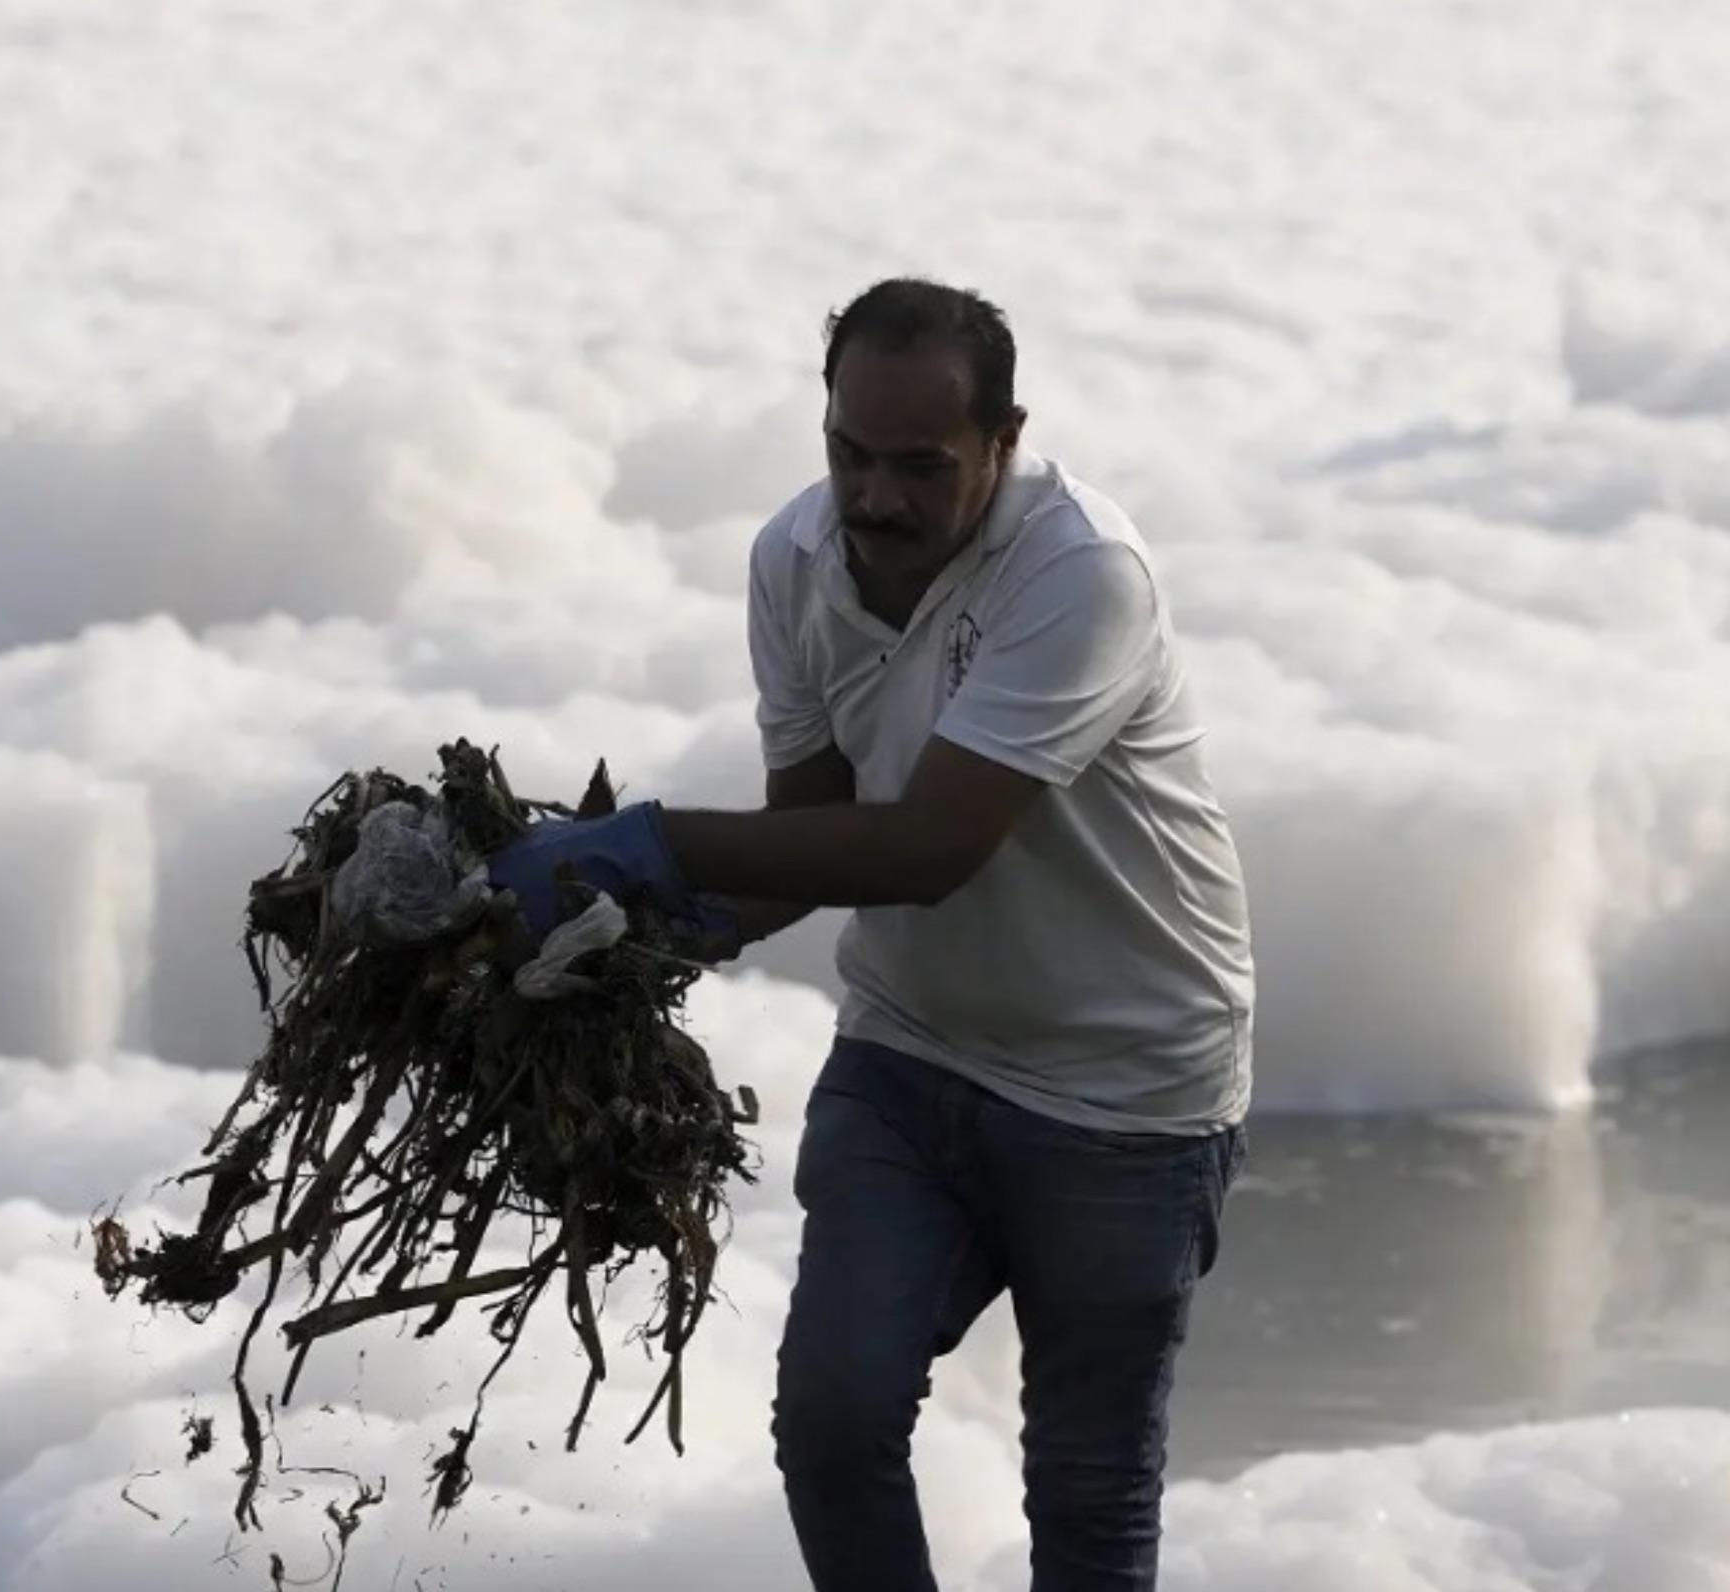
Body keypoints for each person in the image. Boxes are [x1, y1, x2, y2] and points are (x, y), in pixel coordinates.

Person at [484, 277, 1256, 1592]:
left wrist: (650, 841)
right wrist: (614, 941)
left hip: (1127, 1089)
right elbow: (811, 837)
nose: (876, 498)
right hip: (910, 1057)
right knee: (833, 1423)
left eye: (920, 466)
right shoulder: (794, 561)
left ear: (1004, 442)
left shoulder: (1078, 574)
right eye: (849, 453)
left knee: (1085, 1489)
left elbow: (922, 850)